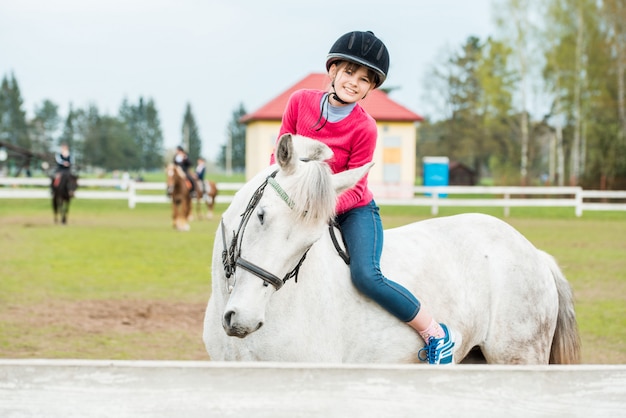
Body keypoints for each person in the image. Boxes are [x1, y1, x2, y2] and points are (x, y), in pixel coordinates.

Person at [270, 31, 456, 364]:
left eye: (365, 79)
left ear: (371, 88)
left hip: (353, 209)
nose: (354, 82)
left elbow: (355, 186)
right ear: (333, 71)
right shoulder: (299, 102)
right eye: (349, 72)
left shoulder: (365, 127)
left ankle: (434, 333)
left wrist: (317, 211)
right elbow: (279, 158)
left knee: (366, 276)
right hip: (299, 203)